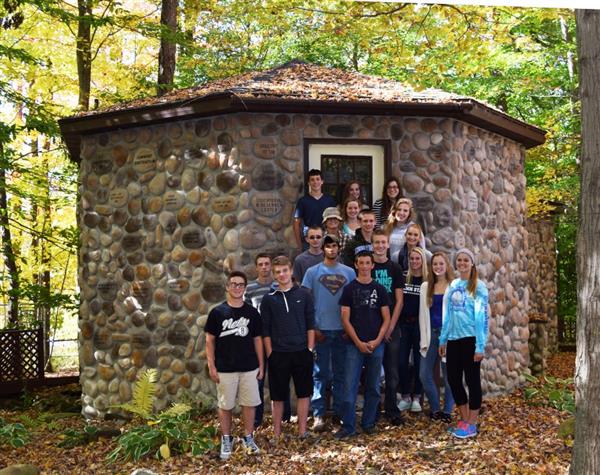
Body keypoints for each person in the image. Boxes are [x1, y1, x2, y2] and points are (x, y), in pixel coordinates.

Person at [205, 271, 264, 460]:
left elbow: (258, 340)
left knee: (249, 404)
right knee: (225, 405)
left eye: (240, 284)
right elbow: (209, 341)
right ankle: (226, 439)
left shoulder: (252, 312)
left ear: (245, 288)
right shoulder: (217, 313)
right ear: (227, 287)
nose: (237, 287)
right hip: (225, 368)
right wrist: (211, 366)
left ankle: (248, 437)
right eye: (233, 284)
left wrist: (261, 365)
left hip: (249, 367)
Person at [302, 235, 356, 432]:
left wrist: (350, 329)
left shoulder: (349, 272)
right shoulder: (312, 272)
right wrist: (313, 328)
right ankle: (318, 415)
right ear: (323, 249)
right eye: (328, 246)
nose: (331, 249)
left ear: (339, 248)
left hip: (342, 331)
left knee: (341, 374)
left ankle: (340, 414)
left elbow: (354, 302)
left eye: (334, 246)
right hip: (321, 331)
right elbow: (306, 303)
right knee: (320, 374)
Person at [336, 252, 390, 439]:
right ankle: (349, 426)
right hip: (354, 346)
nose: (365, 266)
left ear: (372, 265)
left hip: (377, 345)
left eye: (368, 263)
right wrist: (358, 342)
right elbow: (345, 318)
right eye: (361, 263)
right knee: (349, 386)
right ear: (356, 265)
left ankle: (368, 423)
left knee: (373, 386)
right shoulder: (349, 289)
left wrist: (377, 341)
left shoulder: (380, 290)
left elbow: (386, 318)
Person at [261, 256, 316, 440]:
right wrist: (270, 354)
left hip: (301, 352)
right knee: (277, 396)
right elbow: (265, 330)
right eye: (277, 272)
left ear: (291, 271)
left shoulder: (304, 294)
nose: (282, 274)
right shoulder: (268, 299)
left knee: (304, 393)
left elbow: (310, 324)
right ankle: (276, 433)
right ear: (274, 275)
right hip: (278, 354)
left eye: (285, 270)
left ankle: (302, 431)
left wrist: (309, 349)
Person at [439, 248, 489, 439]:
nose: (462, 263)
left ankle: (472, 424)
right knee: (453, 380)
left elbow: (482, 317)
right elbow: (448, 315)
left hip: (471, 340)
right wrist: (443, 339)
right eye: (459, 260)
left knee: (472, 380)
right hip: (453, 340)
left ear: (472, 263)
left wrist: (480, 346)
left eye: (466, 260)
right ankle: (465, 419)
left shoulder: (479, 286)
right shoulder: (453, 285)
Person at [244, 254, 291, 428]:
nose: (264, 267)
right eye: (260, 264)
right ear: (256, 267)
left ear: (271, 267)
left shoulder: (278, 286)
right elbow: (246, 315)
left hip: (278, 340)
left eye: (267, 264)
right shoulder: (250, 289)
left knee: (280, 378)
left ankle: (284, 417)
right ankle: (257, 419)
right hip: (257, 340)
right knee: (257, 380)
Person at [371, 229, 405, 425]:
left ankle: (391, 409)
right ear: (373, 244)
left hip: (393, 328)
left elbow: (399, 301)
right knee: (373, 372)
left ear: (388, 244)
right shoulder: (367, 267)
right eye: (377, 242)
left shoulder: (395, 268)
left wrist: (391, 326)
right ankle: (373, 409)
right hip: (372, 328)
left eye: (383, 242)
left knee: (392, 372)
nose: (380, 246)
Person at [419, 252, 455, 423]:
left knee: (449, 377)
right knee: (424, 373)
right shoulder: (426, 287)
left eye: (441, 264)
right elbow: (422, 316)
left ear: (446, 265)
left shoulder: (453, 286)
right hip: (431, 334)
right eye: (435, 264)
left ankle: (447, 411)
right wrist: (423, 339)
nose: (438, 267)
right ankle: (435, 408)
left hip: (448, 335)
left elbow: (456, 315)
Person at [397, 247, 429, 413]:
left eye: (418, 258)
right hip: (404, 324)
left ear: (422, 260)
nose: (415, 261)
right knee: (401, 361)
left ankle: (417, 396)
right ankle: (405, 396)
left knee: (418, 361)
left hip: (420, 325)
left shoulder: (427, 280)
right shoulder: (404, 277)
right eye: (412, 258)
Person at [294, 169, 336, 250]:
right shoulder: (303, 201)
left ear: (322, 181)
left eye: (317, 179)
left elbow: (335, 221)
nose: (315, 182)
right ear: (308, 183)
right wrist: (299, 245)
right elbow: (296, 224)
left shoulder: (329, 200)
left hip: (326, 239)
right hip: (309, 239)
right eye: (312, 180)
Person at [384, 198, 426, 263]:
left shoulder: (414, 228)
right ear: (394, 211)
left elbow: (422, 250)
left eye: (405, 211)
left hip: (409, 267)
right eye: (399, 209)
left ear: (409, 213)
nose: (401, 213)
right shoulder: (388, 227)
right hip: (391, 266)